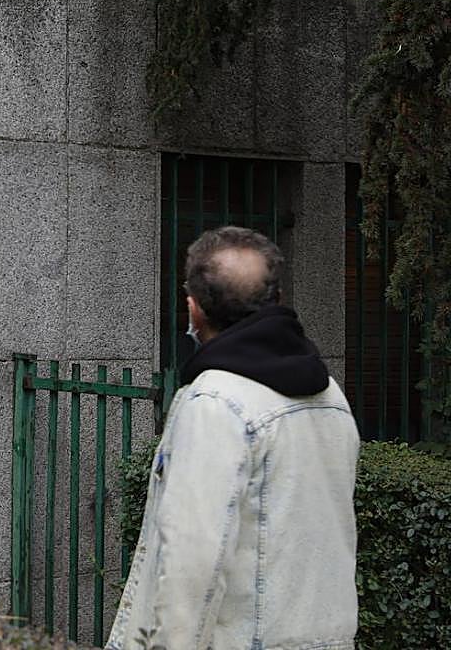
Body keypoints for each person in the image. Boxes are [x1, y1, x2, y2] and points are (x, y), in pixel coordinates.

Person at [107, 227, 359, 650]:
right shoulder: (330, 392)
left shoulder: (215, 401)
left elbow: (192, 561)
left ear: (193, 309)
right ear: (276, 300)